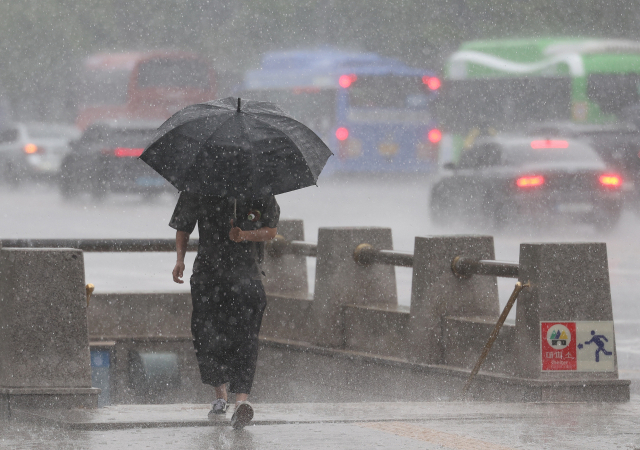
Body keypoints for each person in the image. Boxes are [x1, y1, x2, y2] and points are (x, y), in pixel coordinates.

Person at [170, 192, 279, 429]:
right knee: (206, 337)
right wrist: (180, 259)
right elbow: (183, 226)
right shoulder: (198, 186)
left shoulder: (259, 187)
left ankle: (241, 402)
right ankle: (221, 396)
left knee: (246, 339)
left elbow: (271, 230)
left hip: (246, 277)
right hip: (208, 277)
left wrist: (245, 235)